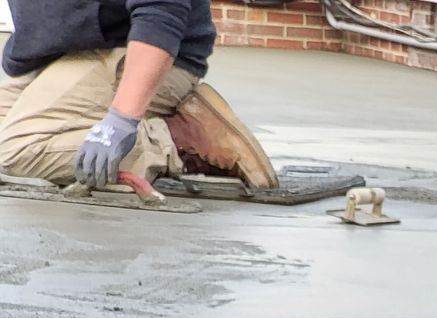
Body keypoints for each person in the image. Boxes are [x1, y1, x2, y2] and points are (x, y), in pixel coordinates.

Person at [0, 0, 275, 192]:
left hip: (137, 53)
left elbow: (161, 13)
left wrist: (121, 119)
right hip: (61, 55)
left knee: (18, 152)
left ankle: (180, 137)